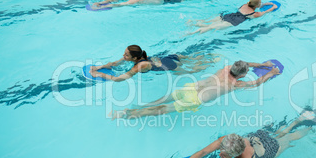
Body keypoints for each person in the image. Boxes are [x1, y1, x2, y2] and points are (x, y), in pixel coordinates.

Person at [172, 111, 316, 158]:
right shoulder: (228, 140)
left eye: (224, 154)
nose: (220, 154)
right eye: (221, 150)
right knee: (279, 132)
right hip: (259, 136)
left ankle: (309, 127)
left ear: (236, 155)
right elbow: (204, 152)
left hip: (271, 149)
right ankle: (296, 121)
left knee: (288, 138)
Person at [111, 60, 280, 119]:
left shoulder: (226, 67)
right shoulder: (236, 84)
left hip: (192, 87)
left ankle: (136, 108)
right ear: (242, 76)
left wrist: (261, 64)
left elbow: (245, 64)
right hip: (195, 99)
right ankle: (128, 115)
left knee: (162, 100)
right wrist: (270, 72)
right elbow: (257, 83)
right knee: (162, 110)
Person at [89, 45, 218, 82]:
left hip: (169, 65)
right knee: (191, 59)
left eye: (126, 55)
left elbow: (118, 79)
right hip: (168, 57)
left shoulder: (140, 65)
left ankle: (212, 61)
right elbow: (115, 63)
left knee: (193, 70)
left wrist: (99, 74)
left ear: (134, 58)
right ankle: (207, 56)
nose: (123, 56)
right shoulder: (137, 56)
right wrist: (99, 67)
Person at [187, 0, 277, 34]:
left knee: (207, 22)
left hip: (229, 15)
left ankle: (193, 22)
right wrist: (273, 6)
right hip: (233, 21)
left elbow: (256, 4)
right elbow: (266, 11)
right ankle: (191, 33)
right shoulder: (255, 14)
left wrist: (263, 4)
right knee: (211, 27)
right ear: (257, 5)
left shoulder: (245, 4)